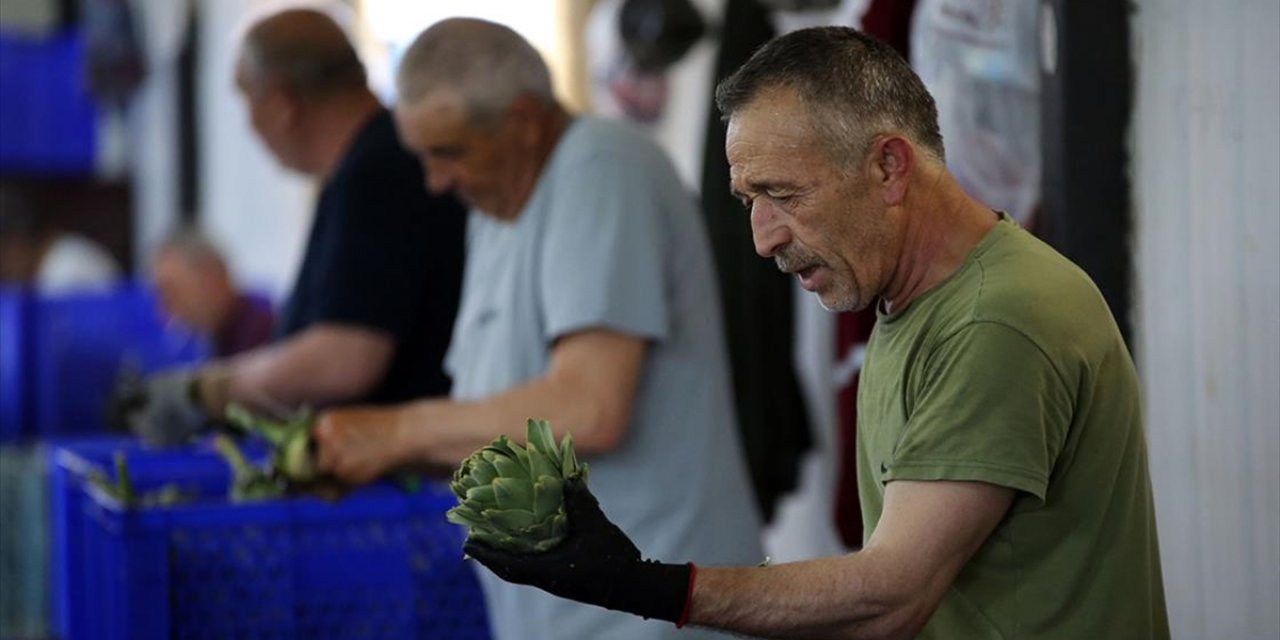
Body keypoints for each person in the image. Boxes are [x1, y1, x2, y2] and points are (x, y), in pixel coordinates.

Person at [464, 26, 1171, 640]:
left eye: (784, 195)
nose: (763, 239)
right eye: (749, 201)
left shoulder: (997, 321)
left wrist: (646, 586)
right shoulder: (914, 299)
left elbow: (888, 598)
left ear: (889, 166)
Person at [310, 18, 764, 640]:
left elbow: (591, 407)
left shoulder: (601, 168)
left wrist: (396, 432)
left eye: (449, 152)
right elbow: (499, 404)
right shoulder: (496, 199)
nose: (434, 181)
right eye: (424, 156)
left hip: (655, 620)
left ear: (522, 120)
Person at [123, 8, 467, 444]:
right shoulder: (364, 169)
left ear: (283, 105)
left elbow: (345, 358)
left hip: (413, 480)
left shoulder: (376, 174)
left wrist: (205, 391)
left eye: (247, 102)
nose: (250, 126)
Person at [151, 228, 274, 357]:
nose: (165, 311)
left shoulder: (265, 334)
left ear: (212, 279)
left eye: (172, 292)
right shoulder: (218, 340)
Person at [0, 187, 122, 294]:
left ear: (18, 243)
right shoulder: (50, 264)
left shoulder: (67, 267)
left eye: (4, 252)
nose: (4, 268)